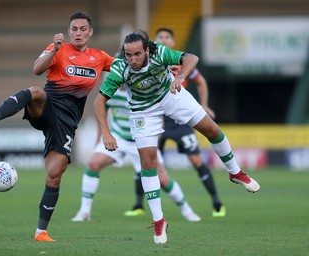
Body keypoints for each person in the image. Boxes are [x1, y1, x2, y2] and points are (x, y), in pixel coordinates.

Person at [93, 30, 260, 244]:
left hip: (170, 95)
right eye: (128, 55)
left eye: (137, 54)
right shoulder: (119, 67)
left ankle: (235, 173)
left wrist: (181, 75)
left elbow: (191, 58)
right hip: (143, 110)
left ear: (147, 50)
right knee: (148, 162)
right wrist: (106, 133)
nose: (133, 60)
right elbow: (99, 102)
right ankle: (159, 220)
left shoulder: (159, 52)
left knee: (213, 130)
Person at [0, 11, 114, 242]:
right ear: (68, 31)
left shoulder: (100, 57)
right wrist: (53, 50)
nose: (78, 33)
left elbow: (124, 68)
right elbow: (36, 69)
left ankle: (41, 232)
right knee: (35, 91)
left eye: (83, 29)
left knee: (54, 175)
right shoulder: (59, 49)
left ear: (90, 32)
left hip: (67, 122)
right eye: (74, 29)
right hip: (48, 106)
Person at [72, 86, 201, 223]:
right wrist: (103, 135)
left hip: (142, 140)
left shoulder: (140, 89)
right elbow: (101, 111)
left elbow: (158, 115)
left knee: (163, 180)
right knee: (93, 164)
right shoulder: (110, 91)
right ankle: (84, 211)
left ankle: (186, 210)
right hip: (119, 137)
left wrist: (155, 140)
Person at [154, 27, 225, 217]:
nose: (163, 40)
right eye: (160, 37)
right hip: (159, 120)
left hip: (180, 120)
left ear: (172, 43)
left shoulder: (181, 62)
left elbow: (200, 81)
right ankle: (138, 205)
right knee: (148, 160)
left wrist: (204, 104)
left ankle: (216, 201)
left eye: (167, 37)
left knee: (195, 159)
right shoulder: (150, 61)